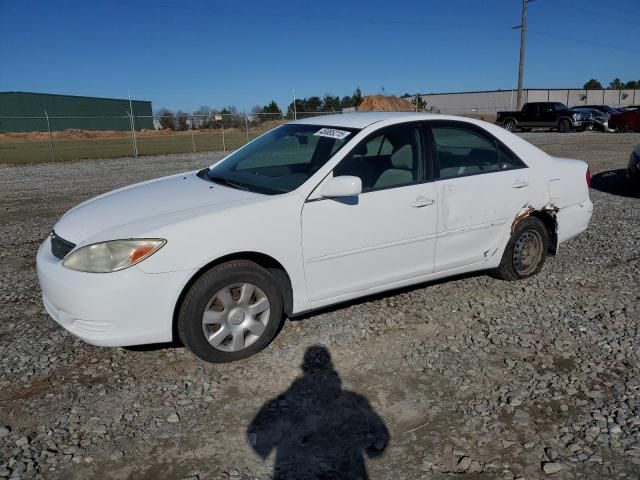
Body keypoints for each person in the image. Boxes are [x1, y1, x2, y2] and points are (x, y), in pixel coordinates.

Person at [247, 345, 389, 480]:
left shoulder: (284, 402)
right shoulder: (353, 401)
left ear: (304, 368)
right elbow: (379, 433)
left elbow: (257, 432)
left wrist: (263, 449)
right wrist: (373, 449)